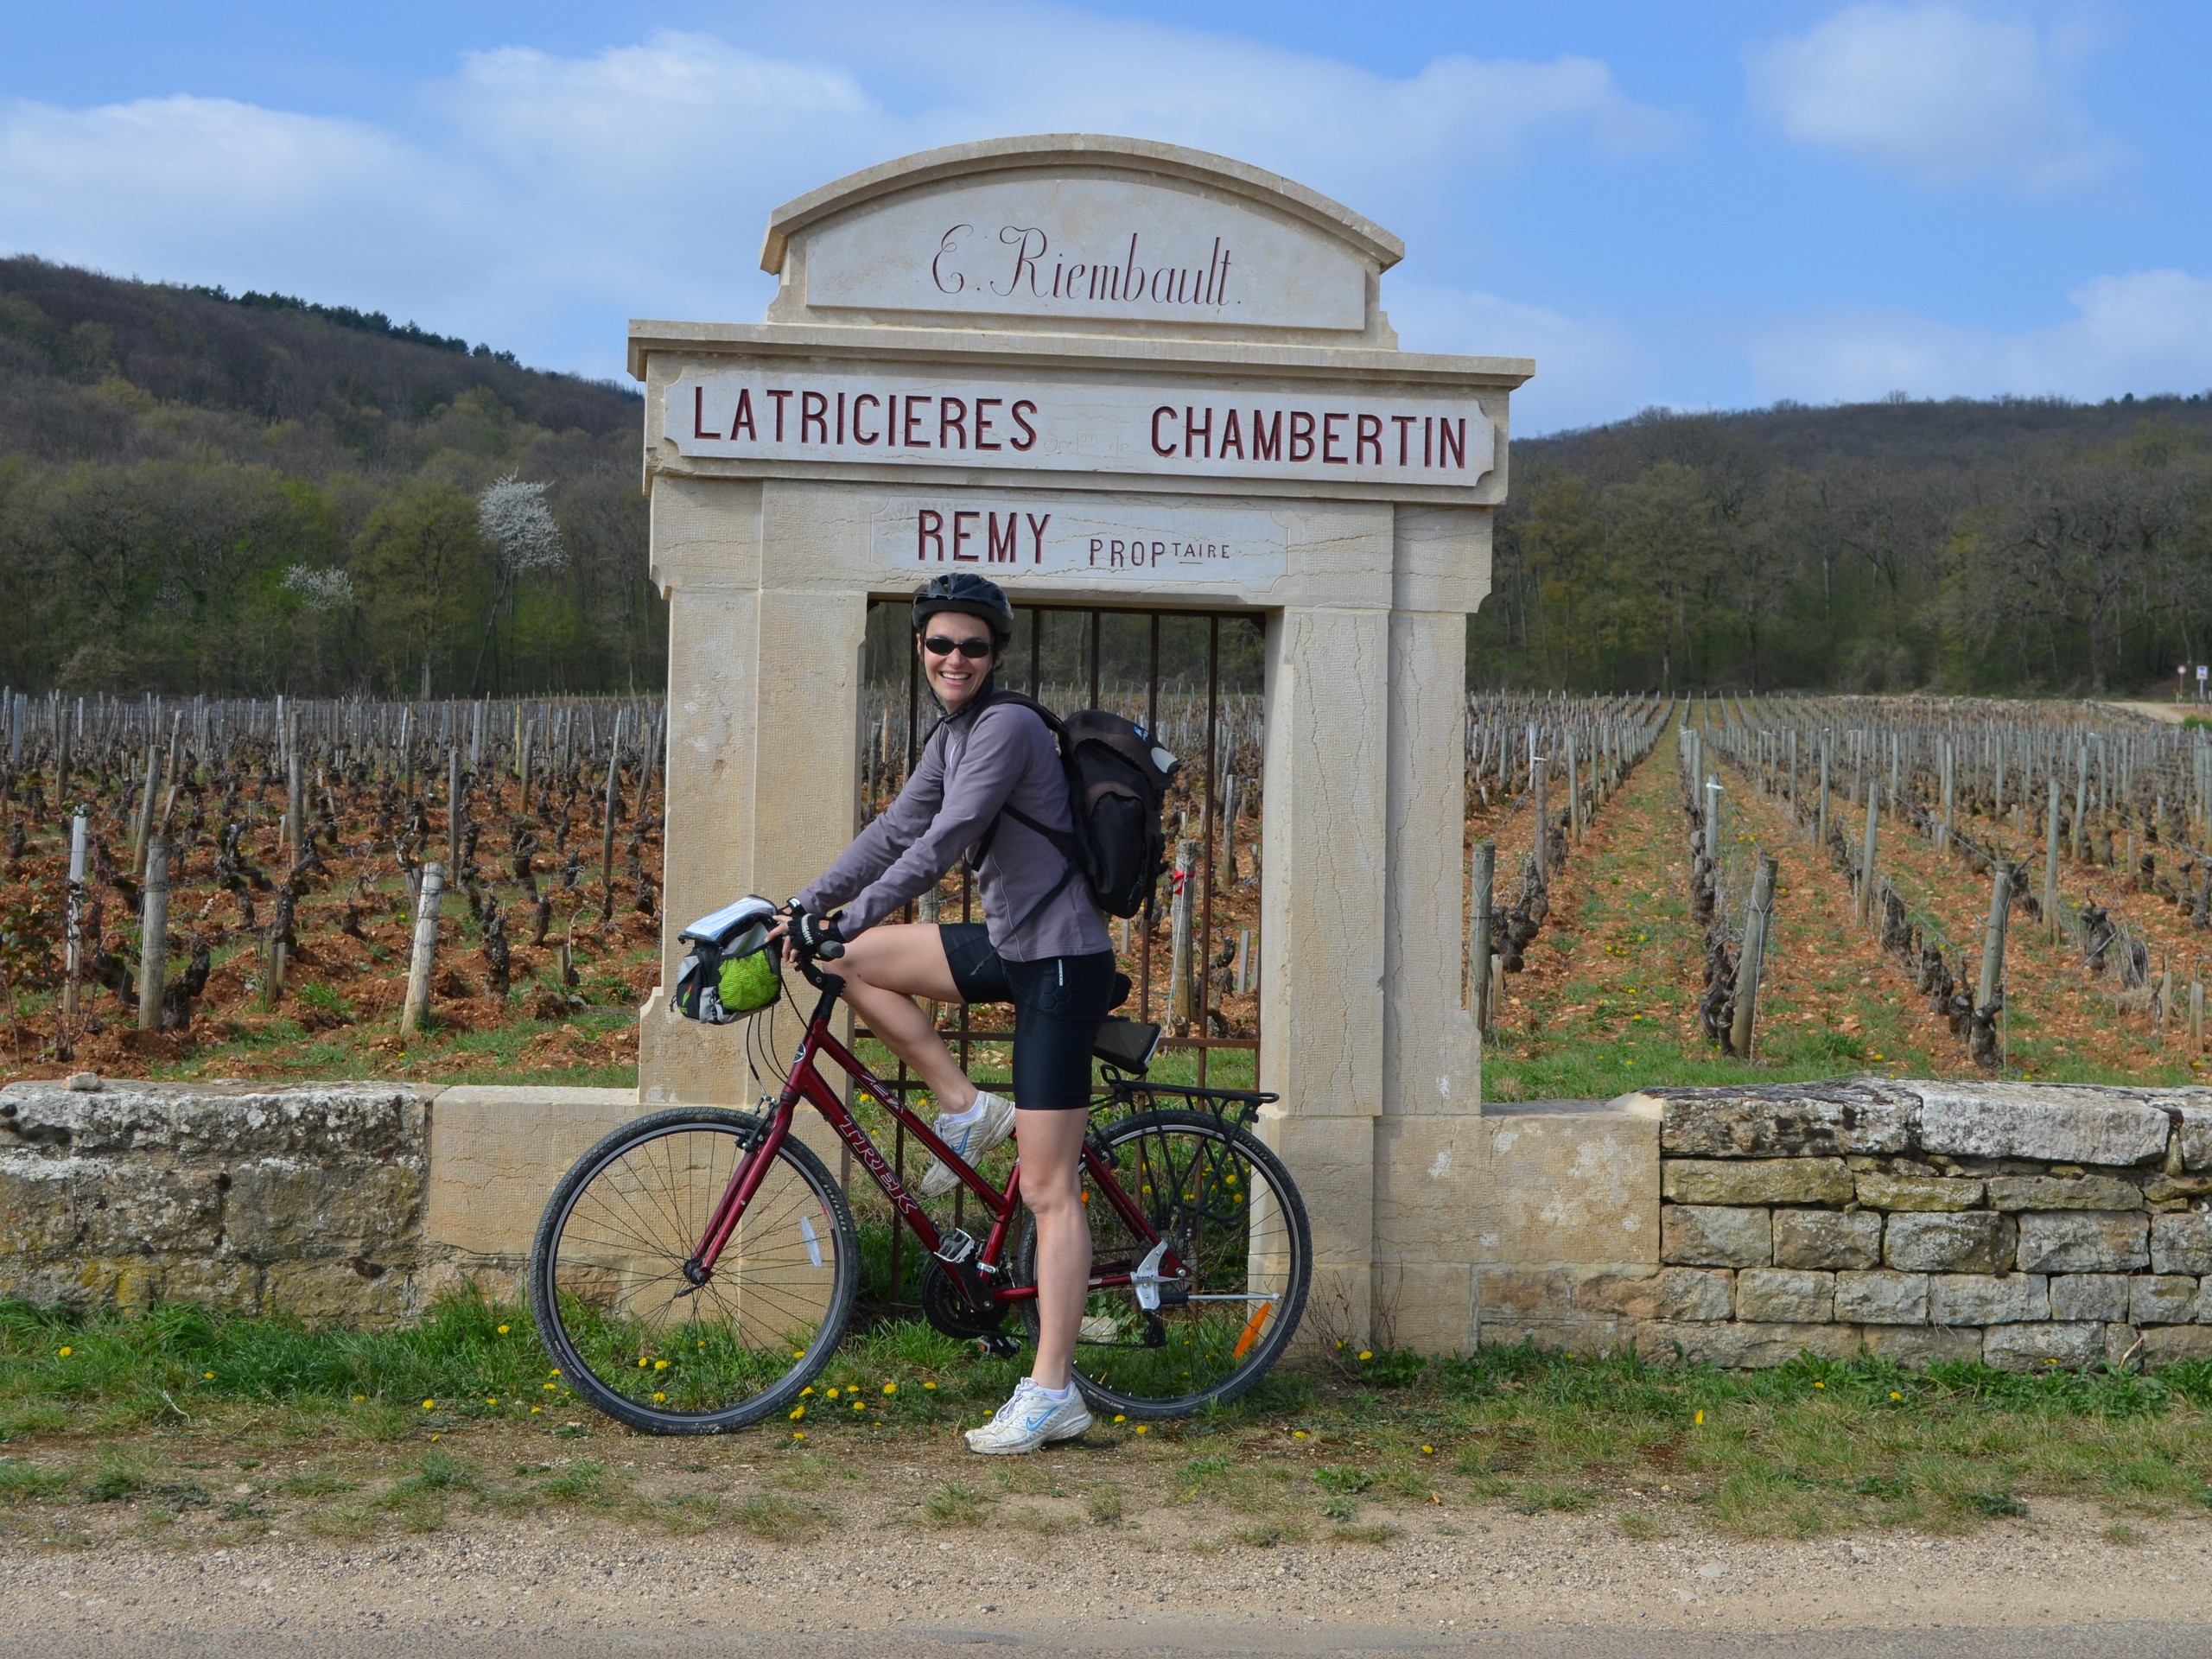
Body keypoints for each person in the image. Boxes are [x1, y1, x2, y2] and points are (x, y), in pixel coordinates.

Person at [778, 573, 1116, 1455]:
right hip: (1010, 941)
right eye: (938, 645)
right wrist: (803, 909)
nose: (953, 658)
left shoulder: (1002, 727)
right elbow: (895, 830)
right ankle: (966, 1106)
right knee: (844, 962)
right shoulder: (953, 730)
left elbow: (948, 839)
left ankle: (1052, 1392)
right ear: (920, 651)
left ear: (995, 654)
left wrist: (845, 914)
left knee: (1047, 1189)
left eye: (971, 646)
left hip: (1060, 961)